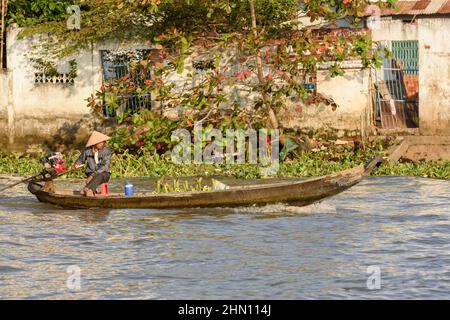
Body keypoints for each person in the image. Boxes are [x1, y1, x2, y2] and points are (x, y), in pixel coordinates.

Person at [73, 131, 112, 197]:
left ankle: (88, 189)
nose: (103, 144)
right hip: (91, 172)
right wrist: (76, 164)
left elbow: (105, 166)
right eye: (101, 142)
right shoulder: (87, 151)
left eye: (104, 142)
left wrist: (92, 175)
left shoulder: (107, 151)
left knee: (101, 174)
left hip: (104, 174)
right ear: (95, 143)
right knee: (97, 175)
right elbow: (80, 160)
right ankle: (88, 189)